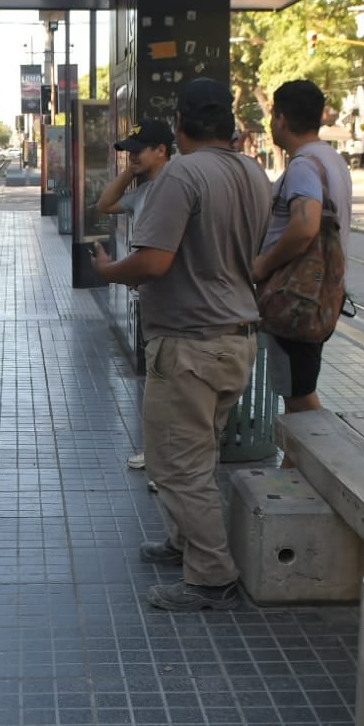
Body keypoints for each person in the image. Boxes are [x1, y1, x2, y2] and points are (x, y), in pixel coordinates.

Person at [93, 77, 272, 612]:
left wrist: (108, 272)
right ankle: (182, 543)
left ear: (179, 126)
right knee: (198, 453)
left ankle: (210, 575)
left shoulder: (182, 175)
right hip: (235, 340)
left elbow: (153, 262)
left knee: (174, 465)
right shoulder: (253, 172)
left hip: (191, 344)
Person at [252, 79, 354, 416]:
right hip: (319, 294)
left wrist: (265, 264)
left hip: (297, 296)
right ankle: (296, 461)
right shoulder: (332, 160)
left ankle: (308, 463)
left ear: (280, 118)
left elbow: (306, 224)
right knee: (298, 388)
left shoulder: (303, 166)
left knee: (299, 394)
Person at [96, 119, 174, 476]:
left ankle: (164, 462)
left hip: (172, 305)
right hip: (153, 301)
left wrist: (114, 271)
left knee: (168, 387)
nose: (132, 157)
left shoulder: (175, 189)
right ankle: (160, 454)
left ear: (162, 150)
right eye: (128, 151)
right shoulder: (143, 193)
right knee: (158, 384)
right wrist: (130, 173)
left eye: (138, 150)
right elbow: (105, 203)